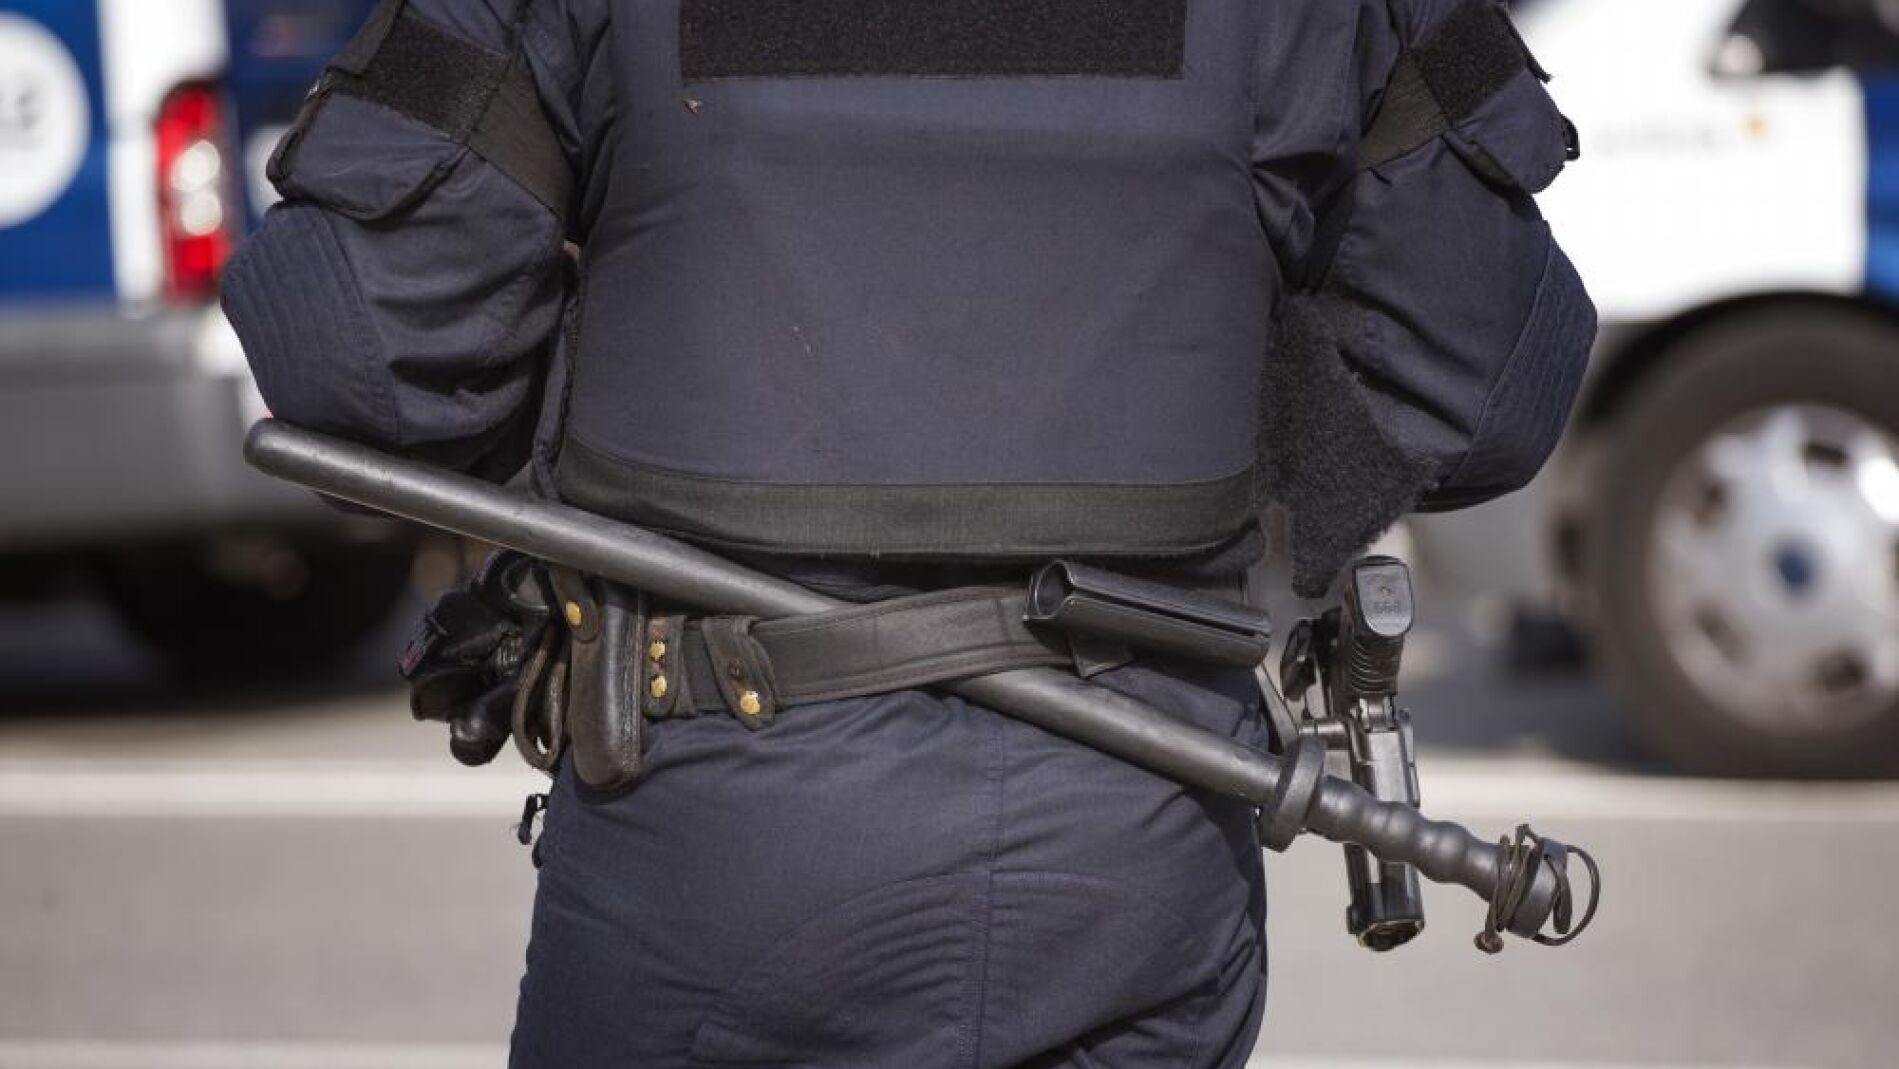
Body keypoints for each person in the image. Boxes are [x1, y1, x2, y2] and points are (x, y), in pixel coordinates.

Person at [221, 0, 1595, 1065]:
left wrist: (599, 374)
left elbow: (356, 363)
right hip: (1141, 817)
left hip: (723, 828)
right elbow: (1485, 386)